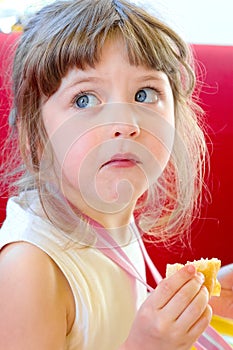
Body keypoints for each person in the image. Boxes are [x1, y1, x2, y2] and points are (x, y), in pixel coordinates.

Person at [0, 0, 232, 349]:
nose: (125, 125)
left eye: (144, 94)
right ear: (36, 136)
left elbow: (107, 324)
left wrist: (201, 301)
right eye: (84, 100)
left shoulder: (105, 215)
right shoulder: (29, 269)